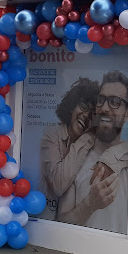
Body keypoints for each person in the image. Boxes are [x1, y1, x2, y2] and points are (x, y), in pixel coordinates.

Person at [58, 70, 128, 233]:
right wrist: (89, 204)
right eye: (101, 100)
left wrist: (114, 155)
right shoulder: (77, 158)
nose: (105, 108)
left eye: (115, 102)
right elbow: (61, 222)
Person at [38, 78, 98, 221]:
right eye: (84, 106)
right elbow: (58, 184)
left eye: (92, 114)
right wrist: (85, 140)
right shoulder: (52, 134)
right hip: (45, 221)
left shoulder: (92, 145)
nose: (86, 115)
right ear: (72, 106)